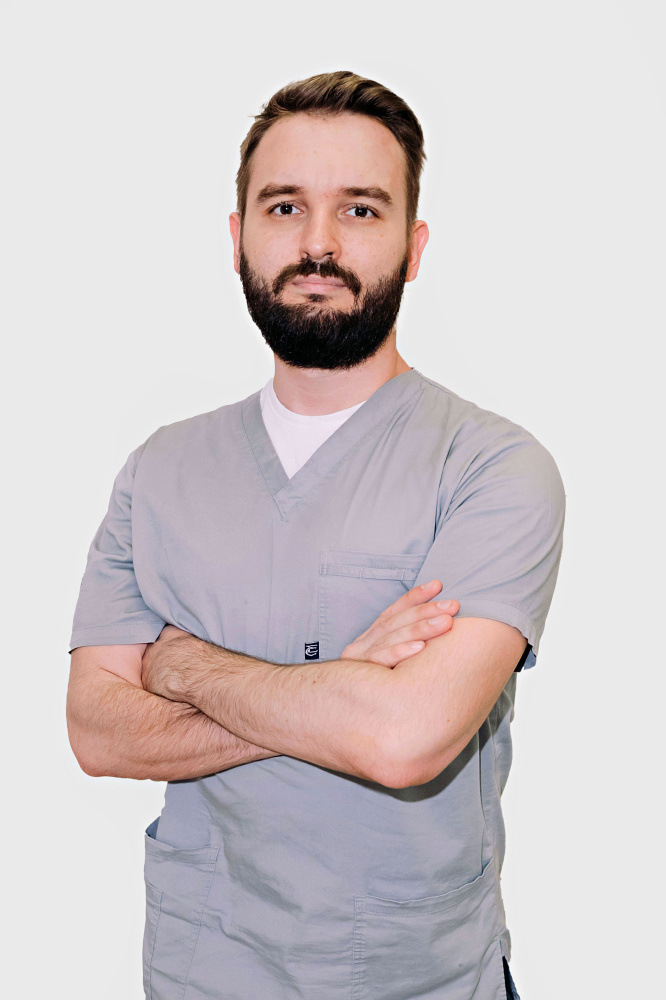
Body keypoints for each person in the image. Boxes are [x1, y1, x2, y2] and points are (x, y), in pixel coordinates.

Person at [66, 71, 564, 1000]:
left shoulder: (492, 468)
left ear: (414, 247)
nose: (319, 243)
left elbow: (404, 740)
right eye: (285, 206)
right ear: (238, 238)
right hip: (203, 972)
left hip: (419, 979)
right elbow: (97, 731)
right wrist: (342, 685)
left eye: (361, 210)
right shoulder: (160, 470)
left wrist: (184, 666)